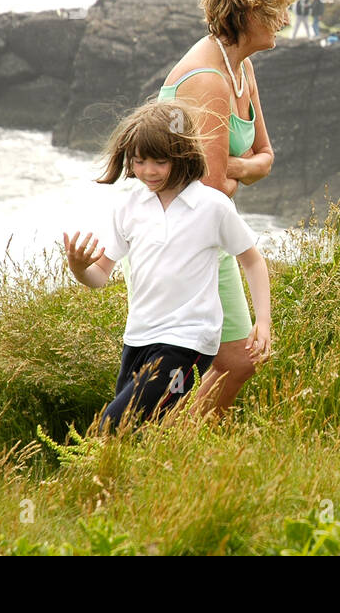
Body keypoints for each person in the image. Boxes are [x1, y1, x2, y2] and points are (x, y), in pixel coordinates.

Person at [63, 100, 272, 431]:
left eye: (160, 161)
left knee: (112, 425)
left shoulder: (211, 206)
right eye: (139, 161)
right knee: (143, 430)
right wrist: (78, 268)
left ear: (182, 155)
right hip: (139, 338)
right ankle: (161, 476)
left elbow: (252, 261)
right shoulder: (129, 205)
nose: (148, 171)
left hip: (189, 343)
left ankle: (92, 473)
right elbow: (100, 275)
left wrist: (262, 322)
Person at [157, 0, 304, 414]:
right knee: (221, 360)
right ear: (246, 12)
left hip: (210, 229)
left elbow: (265, 157)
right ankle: (157, 452)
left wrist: (236, 171)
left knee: (235, 359)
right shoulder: (210, 80)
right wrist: (237, 174)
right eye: (277, 8)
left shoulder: (240, 68)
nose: (284, 18)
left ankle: (173, 449)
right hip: (183, 238)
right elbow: (212, 187)